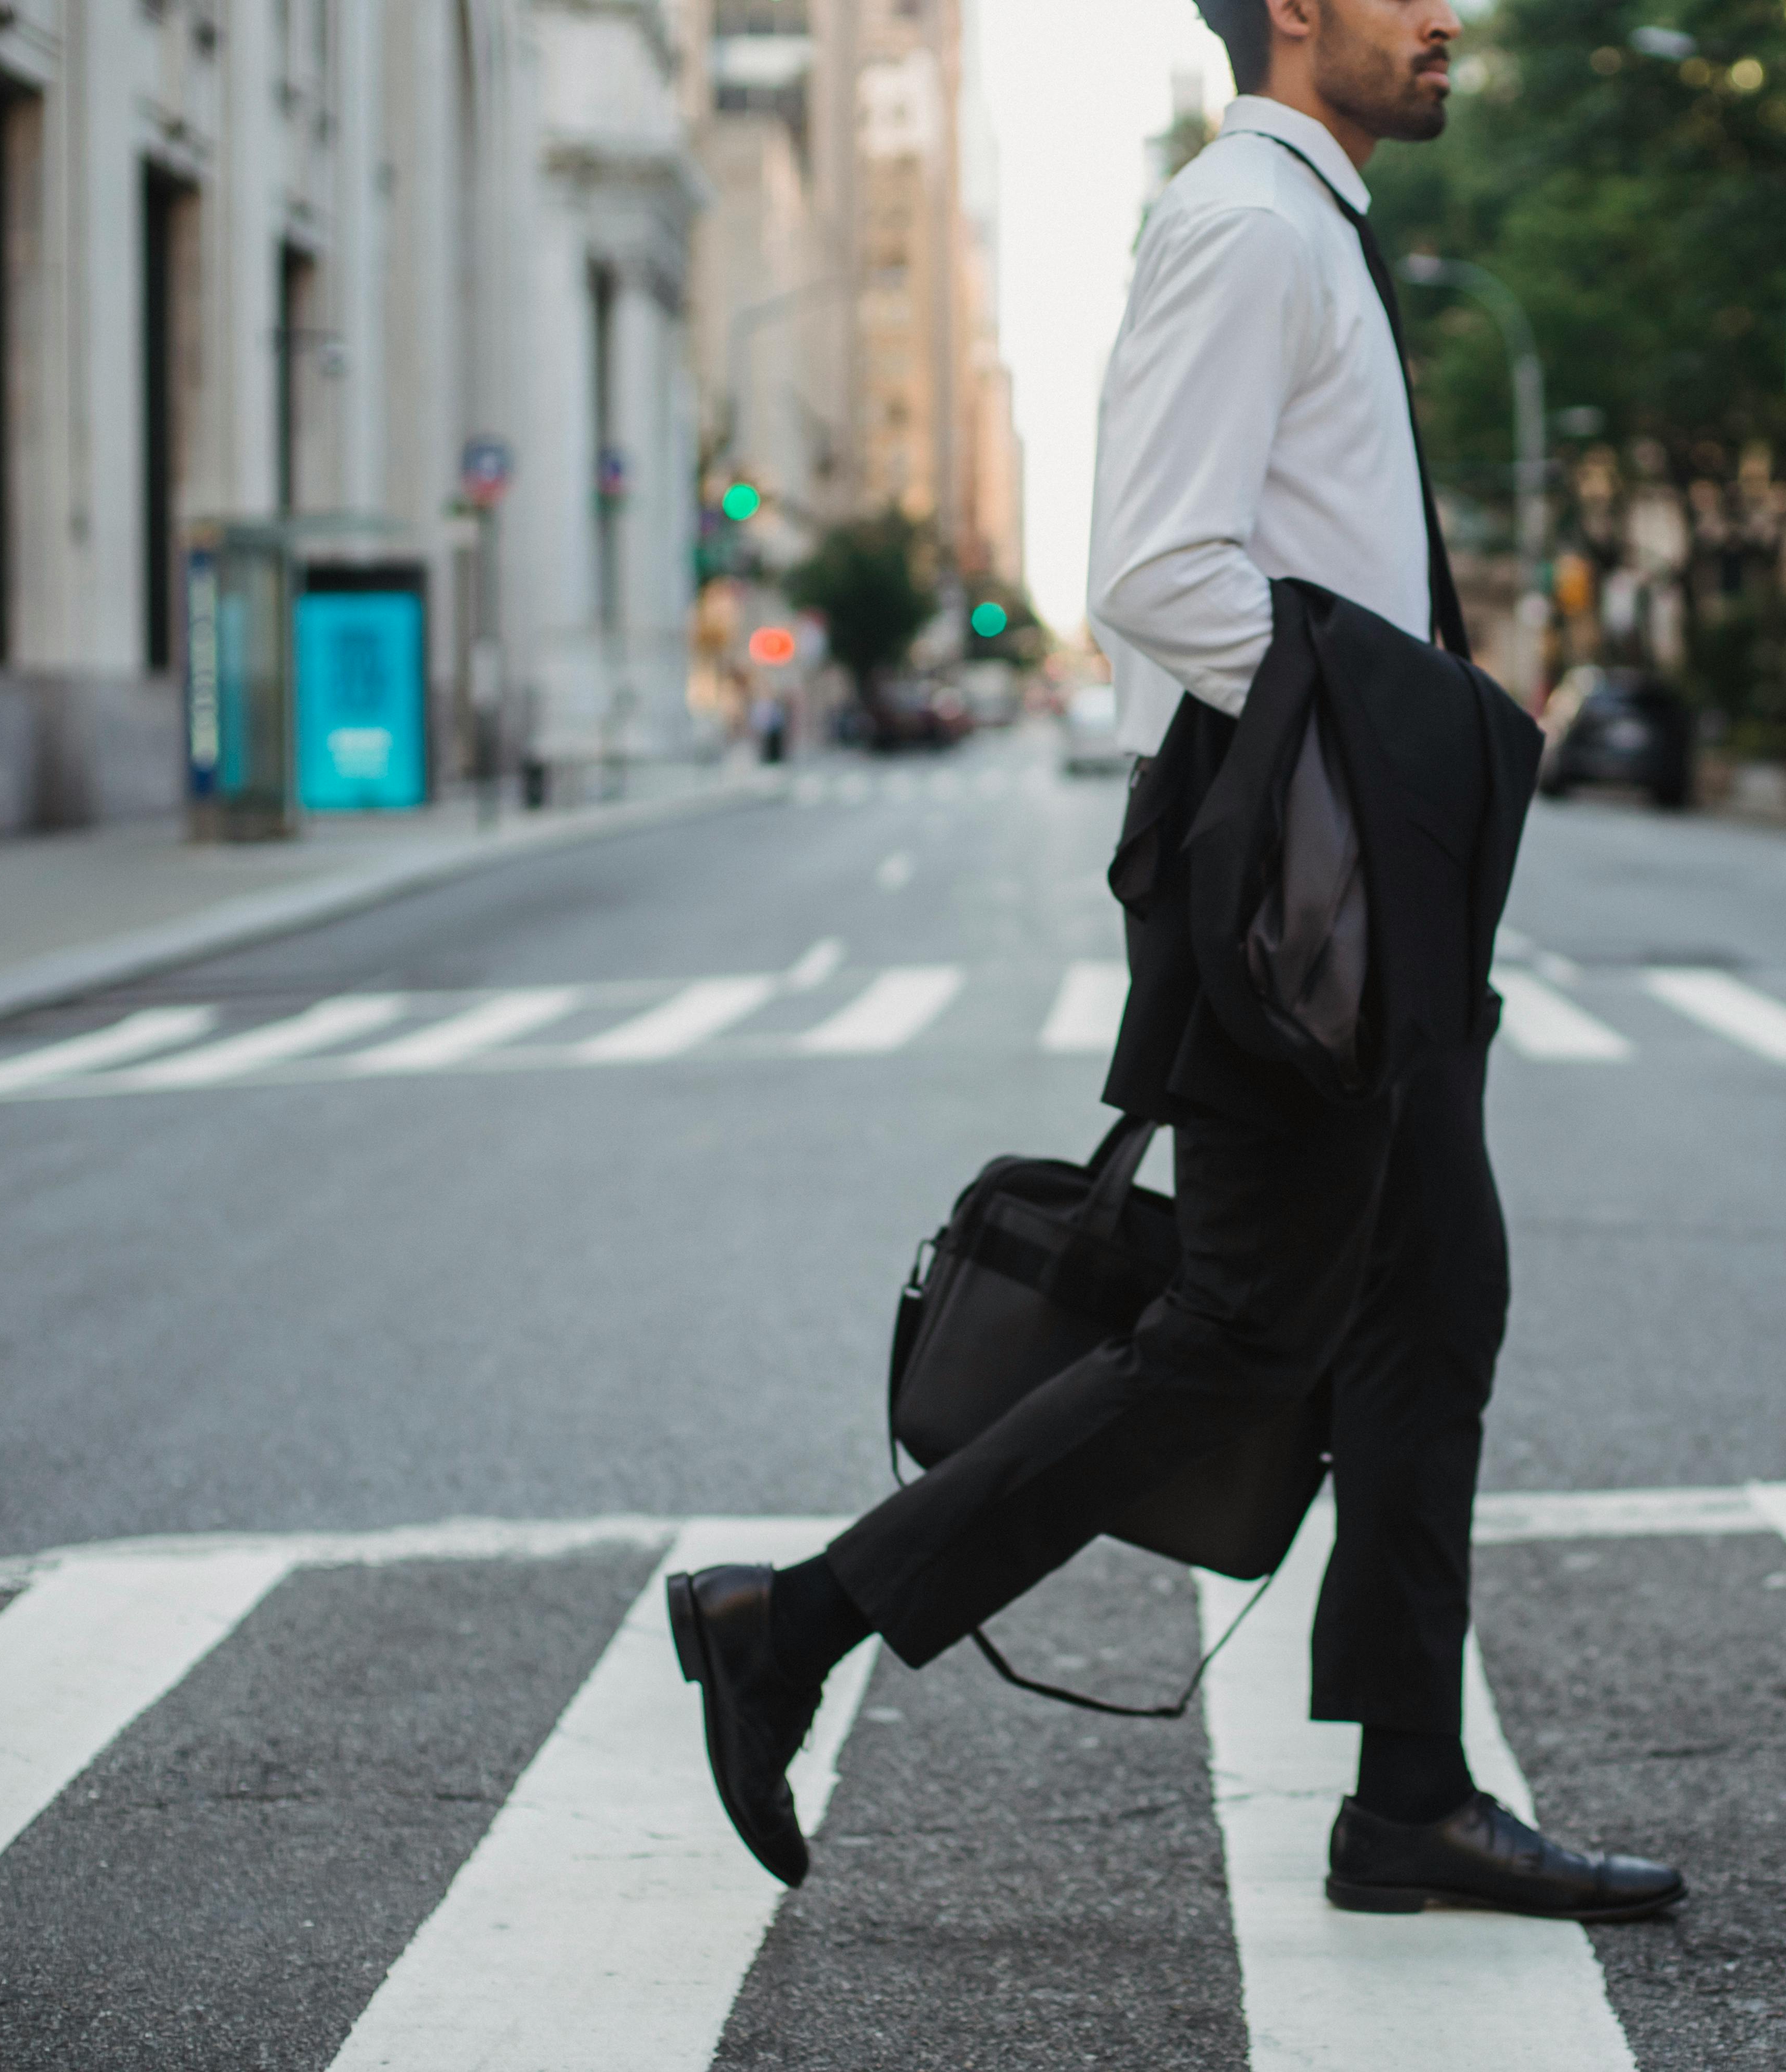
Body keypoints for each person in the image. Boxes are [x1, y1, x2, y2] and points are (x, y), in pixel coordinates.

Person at [663, 0, 1683, 1925]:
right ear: (1297, 12)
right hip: (1297, 877)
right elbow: (1152, 570)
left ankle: (1407, 1800)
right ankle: (787, 1629)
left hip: (1355, 876)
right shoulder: (1245, 223)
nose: (1449, 19)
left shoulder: (1311, 226)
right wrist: (1405, 743)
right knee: (1236, 1337)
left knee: (1428, 1307)